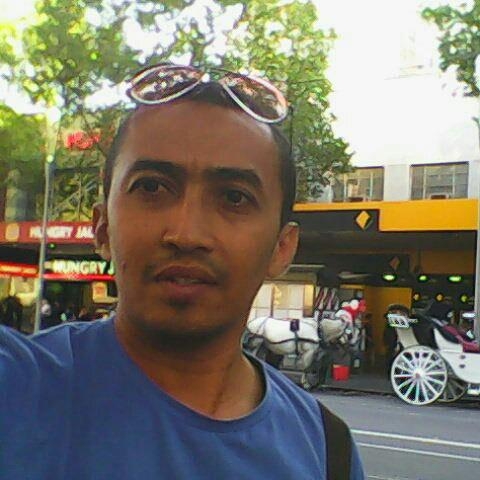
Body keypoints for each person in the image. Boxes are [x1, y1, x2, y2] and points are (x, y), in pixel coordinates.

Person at [0, 63, 364, 479]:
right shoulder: (17, 388)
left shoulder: (328, 451)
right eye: (152, 187)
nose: (187, 234)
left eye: (234, 197)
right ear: (102, 228)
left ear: (282, 248)